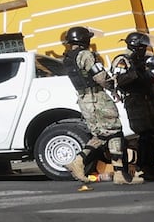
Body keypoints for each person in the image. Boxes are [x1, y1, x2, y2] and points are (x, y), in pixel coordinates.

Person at [61, 26, 143, 185]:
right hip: (97, 97)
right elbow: (100, 77)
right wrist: (113, 86)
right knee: (114, 131)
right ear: (85, 40)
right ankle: (117, 173)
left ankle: (81, 162)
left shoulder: (67, 58)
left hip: (84, 100)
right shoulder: (86, 55)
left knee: (103, 134)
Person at [113, 32, 154, 180]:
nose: (145, 49)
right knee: (145, 134)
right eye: (143, 46)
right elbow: (118, 80)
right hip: (134, 101)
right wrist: (135, 72)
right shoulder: (123, 60)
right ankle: (145, 169)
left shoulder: (139, 59)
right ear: (136, 46)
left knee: (153, 134)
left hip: (146, 99)